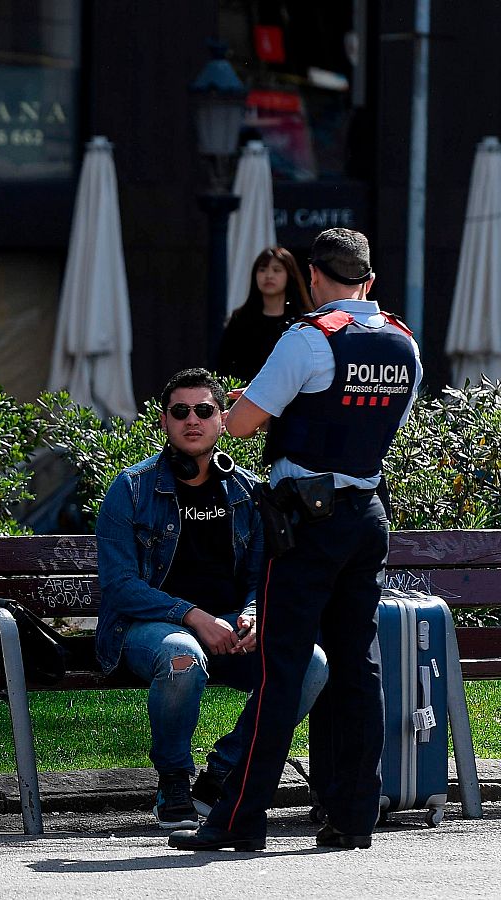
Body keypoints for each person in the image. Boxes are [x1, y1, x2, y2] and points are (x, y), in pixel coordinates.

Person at [171, 228, 422, 852]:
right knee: (357, 668)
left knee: (282, 669)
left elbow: (246, 422)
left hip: (306, 524)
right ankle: (353, 817)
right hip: (367, 515)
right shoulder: (403, 342)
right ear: (369, 280)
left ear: (312, 277)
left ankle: (239, 819)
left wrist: (238, 407)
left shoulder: (309, 337)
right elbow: (374, 417)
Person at [96, 368, 328, 830]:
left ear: (223, 420)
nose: (192, 420)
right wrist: (192, 616)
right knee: (181, 654)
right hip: (149, 631)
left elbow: (263, 576)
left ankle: (222, 771)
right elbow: (120, 585)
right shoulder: (132, 489)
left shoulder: (246, 491)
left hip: (226, 629)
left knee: (310, 662)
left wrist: (251, 614)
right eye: (180, 411)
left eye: (204, 410)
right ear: (164, 422)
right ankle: (174, 781)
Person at [215, 247, 314, 383]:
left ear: (289, 275)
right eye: (262, 269)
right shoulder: (241, 319)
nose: (268, 275)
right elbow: (222, 366)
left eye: (276, 270)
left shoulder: (302, 322)